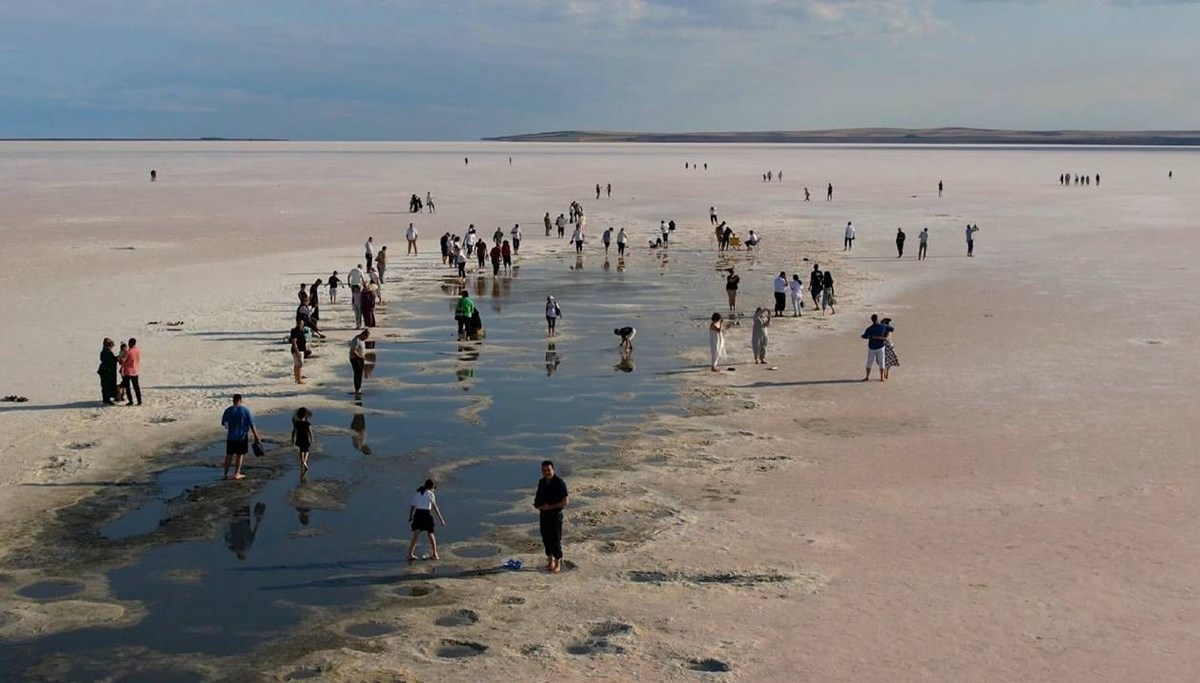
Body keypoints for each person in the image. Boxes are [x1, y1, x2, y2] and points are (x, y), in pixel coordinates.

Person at [534, 460, 569, 573]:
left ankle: (558, 562)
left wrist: (550, 507)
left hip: (555, 515)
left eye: (548, 470)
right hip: (544, 515)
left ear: (553, 469)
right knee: (546, 538)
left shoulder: (559, 483)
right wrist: (538, 505)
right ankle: (550, 561)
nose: (547, 472)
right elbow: (538, 496)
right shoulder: (542, 482)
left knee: (555, 539)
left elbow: (565, 502)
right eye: (544, 471)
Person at [221, 394, 261, 480]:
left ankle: (225, 474)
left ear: (233, 400)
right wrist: (256, 436)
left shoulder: (228, 410)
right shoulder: (245, 410)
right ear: (241, 400)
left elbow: (224, 424)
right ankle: (237, 473)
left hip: (230, 437)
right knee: (240, 455)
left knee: (229, 455)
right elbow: (251, 424)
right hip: (241, 437)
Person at [407, 479, 447, 561]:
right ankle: (435, 554)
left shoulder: (418, 493)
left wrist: (410, 517)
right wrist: (441, 519)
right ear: (431, 487)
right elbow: (435, 507)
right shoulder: (430, 494)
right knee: (431, 534)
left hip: (417, 514)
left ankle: (410, 554)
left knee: (416, 535)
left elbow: (412, 506)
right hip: (426, 514)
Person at [861, 314, 894, 381]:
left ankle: (867, 377)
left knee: (869, 362)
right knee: (882, 362)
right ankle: (882, 377)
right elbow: (892, 329)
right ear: (877, 319)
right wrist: (884, 334)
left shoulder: (869, 328)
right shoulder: (883, 326)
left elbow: (863, 336)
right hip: (880, 347)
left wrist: (871, 337)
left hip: (872, 347)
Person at [291, 407, 314, 478]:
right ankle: (305, 461)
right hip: (306, 439)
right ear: (306, 415)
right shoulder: (308, 424)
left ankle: (302, 462)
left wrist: (292, 439)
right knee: (306, 450)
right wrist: (312, 439)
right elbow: (310, 432)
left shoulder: (297, 423)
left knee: (301, 450)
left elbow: (294, 431)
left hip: (299, 439)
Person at [120, 337, 142, 405]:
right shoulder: (138, 350)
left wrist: (121, 357)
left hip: (128, 371)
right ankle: (139, 400)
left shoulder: (128, 352)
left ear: (130, 343)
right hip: (135, 370)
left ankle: (130, 401)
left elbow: (123, 361)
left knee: (128, 387)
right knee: (136, 387)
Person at [98, 338, 120, 405]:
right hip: (106, 372)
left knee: (105, 385)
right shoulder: (105, 352)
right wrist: (117, 359)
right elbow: (110, 361)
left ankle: (106, 398)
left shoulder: (105, 351)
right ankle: (107, 399)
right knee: (106, 385)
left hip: (105, 371)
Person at [349, 329, 369, 396]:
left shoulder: (362, 340)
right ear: (363, 335)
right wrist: (360, 357)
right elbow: (353, 350)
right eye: (366, 337)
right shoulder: (356, 340)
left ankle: (359, 388)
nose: (366, 339)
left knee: (360, 373)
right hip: (355, 359)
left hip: (360, 358)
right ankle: (357, 389)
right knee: (357, 373)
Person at [289, 319, 307, 384]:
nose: (300, 324)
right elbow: (293, 342)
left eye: (301, 323)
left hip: (300, 349)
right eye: (299, 323)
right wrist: (297, 352)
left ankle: (297, 378)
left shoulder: (301, 330)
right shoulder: (295, 331)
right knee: (299, 364)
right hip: (297, 350)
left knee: (297, 365)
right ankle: (298, 380)